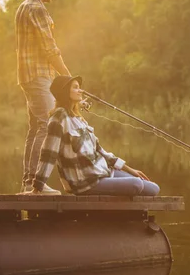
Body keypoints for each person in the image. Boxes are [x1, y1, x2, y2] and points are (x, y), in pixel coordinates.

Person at [27, 75, 160, 196]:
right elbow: (49, 154)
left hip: (103, 173)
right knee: (136, 184)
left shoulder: (80, 120)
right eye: (75, 88)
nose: (80, 91)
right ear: (64, 91)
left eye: (79, 87)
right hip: (85, 182)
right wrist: (37, 187)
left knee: (153, 188)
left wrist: (131, 170)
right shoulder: (59, 116)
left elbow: (101, 152)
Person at [16, 0, 71, 194]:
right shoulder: (37, 9)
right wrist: (68, 78)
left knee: (35, 128)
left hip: (29, 76)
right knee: (46, 127)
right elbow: (50, 49)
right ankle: (35, 184)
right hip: (38, 76)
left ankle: (29, 183)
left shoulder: (23, 7)